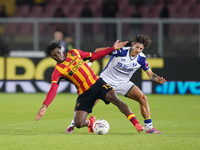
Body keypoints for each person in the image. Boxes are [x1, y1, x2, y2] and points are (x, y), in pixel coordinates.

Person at [35, 40, 145, 134]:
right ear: (52, 57)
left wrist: (112, 48)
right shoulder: (57, 72)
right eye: (54, 55)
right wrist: (45, 106)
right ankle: (90, 122)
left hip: (98, 84)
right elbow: (53, 89)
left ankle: (137, 125)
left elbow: (94, 55)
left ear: (61, 50)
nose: (57, 55)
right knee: (78, 123)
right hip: (84, 94)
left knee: (116, 100)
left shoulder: (74, 53)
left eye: (58, 52)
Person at [67, 34, 166, 134]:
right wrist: (89, 64)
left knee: (143, 98)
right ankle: (72, 124)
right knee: (92, 102)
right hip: (106, 80)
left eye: (141, 48)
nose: (138, 50)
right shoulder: (121, 51)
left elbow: (150, 74)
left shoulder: (141, 59)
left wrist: (157, 78)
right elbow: (97, 50)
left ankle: (149, 128)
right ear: (132, 44)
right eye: (137, 47)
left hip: (123, 83)